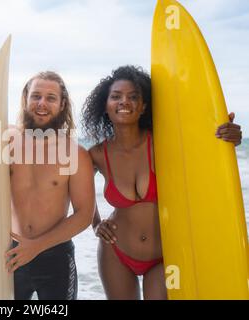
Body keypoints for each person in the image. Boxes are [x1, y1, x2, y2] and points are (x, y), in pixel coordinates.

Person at [81, 65, 243, 300]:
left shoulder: (164, 143)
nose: (124, 102)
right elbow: (76, 193)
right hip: (115, 252)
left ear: (144, 106)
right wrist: (95, 223)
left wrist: (228, 136)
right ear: (105, 106)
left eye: (133, 97)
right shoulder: (97, 154)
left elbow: (207, 149)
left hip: (164, 254)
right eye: (116, 96)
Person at [0, 71, 96, 300]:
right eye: (36, 96)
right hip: (10, 254)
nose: (42, 104)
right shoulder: (6, 138)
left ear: (62, 104)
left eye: (50, 98)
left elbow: (84, 214)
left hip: (56, 256)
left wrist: (36, 246)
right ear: (25, 98)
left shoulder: (75, 153)